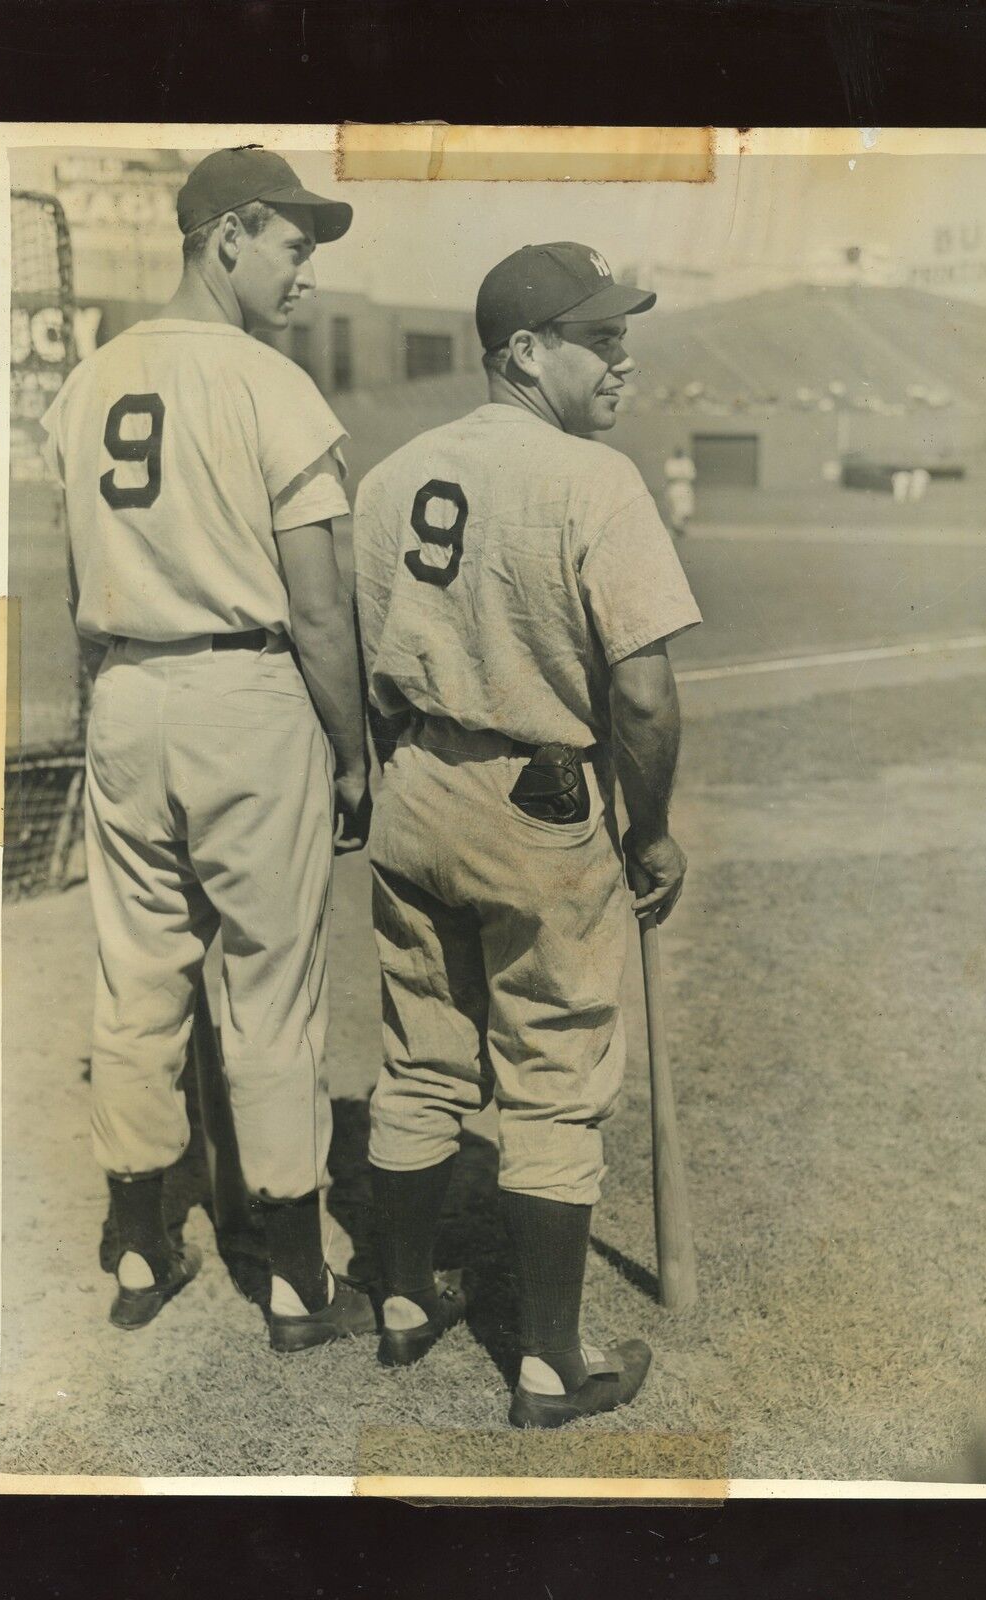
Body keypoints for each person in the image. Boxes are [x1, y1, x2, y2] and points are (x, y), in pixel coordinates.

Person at [353, 241, 702, 1427]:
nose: (622, 359)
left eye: (622, 335)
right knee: (551, 1078)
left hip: (415, 785)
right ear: (522, 354)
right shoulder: (592, 479)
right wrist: (648, 835)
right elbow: (644, 696)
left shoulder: (393, 472)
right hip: (542, 803)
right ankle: (552, 1365)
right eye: (598, 339)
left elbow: (364, 659)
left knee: (417, 1056)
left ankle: (403, 1301)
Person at [41, 147, 376, 1353]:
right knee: (271, 986)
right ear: (227, 234)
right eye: (293, 242)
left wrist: (115, 707)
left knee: (137, 977)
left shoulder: (85, 384)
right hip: (248, 690)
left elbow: (80, 575)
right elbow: (324, 609)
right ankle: (293, 1275)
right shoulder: (269, 383)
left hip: (126, 689)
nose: (306, 269)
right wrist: (352, 751)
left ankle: (137, 1241)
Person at [663, 445, 697, 537]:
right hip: (675, 487)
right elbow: (670, 476)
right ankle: (677, 529)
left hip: (685, 487)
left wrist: (680, 476)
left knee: (686, 509)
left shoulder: (687, 462)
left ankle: (681, 527)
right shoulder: (670, 462)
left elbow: (692, 475)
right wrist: (681, 475)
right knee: (675, 508)